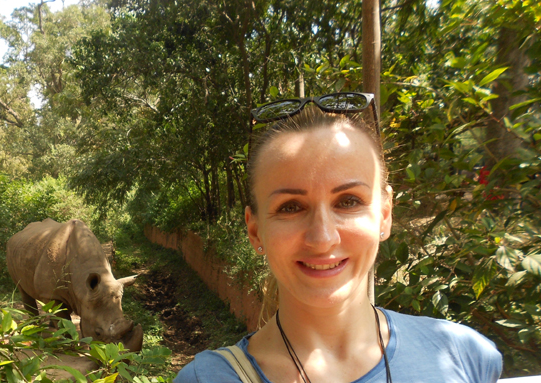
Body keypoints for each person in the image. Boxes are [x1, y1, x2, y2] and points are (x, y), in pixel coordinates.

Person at [174, 96, 502, 383]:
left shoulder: (465, 355)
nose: (323, 238)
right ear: (255, 231)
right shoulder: (207, 378)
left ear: (385, 215)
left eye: (348, 202)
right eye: (290, 207)